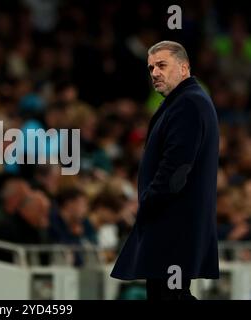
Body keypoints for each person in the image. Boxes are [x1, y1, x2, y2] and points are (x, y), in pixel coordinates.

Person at [111, 41, 220, 300]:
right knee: (166, 295)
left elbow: (177, 168)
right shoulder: (184, 101)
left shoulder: (188, 103)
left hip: (173, 224)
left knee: (169, 296)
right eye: (150, 68)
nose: (154, 73)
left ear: (184, 68)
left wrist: (149, 201)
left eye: (162, 65)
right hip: (172, 222)